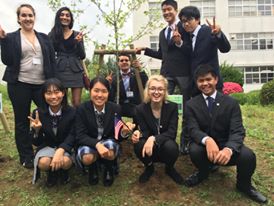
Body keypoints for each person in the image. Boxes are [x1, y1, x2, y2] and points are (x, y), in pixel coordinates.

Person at [184, 64, 267, 204]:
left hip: (226, 144)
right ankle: (204, 172)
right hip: (205, 147)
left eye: (208, 79)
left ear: (216, 79)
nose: (205, 83)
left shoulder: (231, 103)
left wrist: (229, 149)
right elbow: (192, 129)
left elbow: (238, 130)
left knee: (247, 156)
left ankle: (244, 185)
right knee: (194, 150)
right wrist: (207, 140)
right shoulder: (191, 104)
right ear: (197, 83)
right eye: (201, 80)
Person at [0, 4, 55, 168]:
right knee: (22, 121)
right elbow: (7, 61)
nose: (27, 18)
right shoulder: (10, 38)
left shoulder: (44, 38)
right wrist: (2, 41)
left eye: (30, 15)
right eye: (23, 15)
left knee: (48, 115)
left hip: (41, 85)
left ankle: (49, 145)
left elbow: (51, 61)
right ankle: (26, 156)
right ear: (18, 18)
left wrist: (54, 83)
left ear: (34, 17)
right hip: (19, 84)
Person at [136, 0, 192, 155]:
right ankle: (159, 137)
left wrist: (180, 42)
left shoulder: (185, 27)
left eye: (169, 10)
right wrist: (145, 49)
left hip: (184, 73)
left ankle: (185, 142)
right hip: (166, 73)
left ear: (176, 10)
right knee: (158, 104)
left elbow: (190, 50)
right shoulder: (162, 33)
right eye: (164, 10)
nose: (166, 13)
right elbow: (161, 54)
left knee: (187, 109)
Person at [75, 77, 134, 187]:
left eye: (104, 91)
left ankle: (108, 167)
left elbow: (117, 136)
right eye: (96, 90)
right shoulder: (82, 109)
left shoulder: (115, 108)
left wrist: (124, 132)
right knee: (87, 158)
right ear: (90, 90)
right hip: (90, 142)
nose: (100, 95)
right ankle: (93, 167)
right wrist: (97, 145)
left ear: (108, 92)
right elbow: (80, 135)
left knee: (110, 149)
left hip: (108, 141)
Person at [132, 75, 183, 185]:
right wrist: (138, 133)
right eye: (153, 88)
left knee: (172, 147)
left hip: (165, 144)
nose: (156, 92)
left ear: (165, 91)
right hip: (151, 149)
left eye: (160, 89)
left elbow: (172, 132)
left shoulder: (173, 107)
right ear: (148, 90)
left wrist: (153, 138)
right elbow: (145, 131)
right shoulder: (140, 109)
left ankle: (169, 168)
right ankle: (149, 167)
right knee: (138, 144)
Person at [29, 78, 75, 187]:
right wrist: (37, 130)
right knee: (44, 163)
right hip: (47, 146)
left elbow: (73, 135)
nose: (53, 97)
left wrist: (60, 150)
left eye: (57, 92)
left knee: (65, 162)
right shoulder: (37, 113)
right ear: (44, 95)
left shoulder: (72, 112)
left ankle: (63, 171)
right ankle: (51, 172)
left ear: (63, 93)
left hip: (65, 147)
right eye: (48, 93)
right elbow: (36, 142)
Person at [178, 6, 231, 96]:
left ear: (198, 19)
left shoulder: (208, 30)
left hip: (211, 83)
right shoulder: (187, 36)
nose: (186, 24)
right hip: (196, 86)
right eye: (183, 21)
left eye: (189, 20)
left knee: (216, 109)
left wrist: (218, 34)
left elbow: (225, 48)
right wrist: (179, 43)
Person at [49, 7, 86, 107]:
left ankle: (77, 122)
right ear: (58, 17)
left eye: (67, 15)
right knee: (61, 102)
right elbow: (50, 54)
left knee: (76, 103)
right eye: (62, 15)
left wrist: (78, 43)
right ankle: (64, 122)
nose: (64, 17)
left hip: (76, 70)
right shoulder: (53, 34)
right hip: (60, 70)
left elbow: (82, 56)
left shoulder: (77, 34)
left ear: (71, 19)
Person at [108, 54, 148, 118]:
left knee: (139, 112)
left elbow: (146, 83)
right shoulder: (114, 78)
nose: (124, 62)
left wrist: (140, 69)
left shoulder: (137, 73)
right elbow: (111, 96)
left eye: (126, 60)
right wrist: (108, 85)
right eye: (121, 60)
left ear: (130, 62)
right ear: (118, 63)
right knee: (114, 113)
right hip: (121, 105)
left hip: (135, 104)